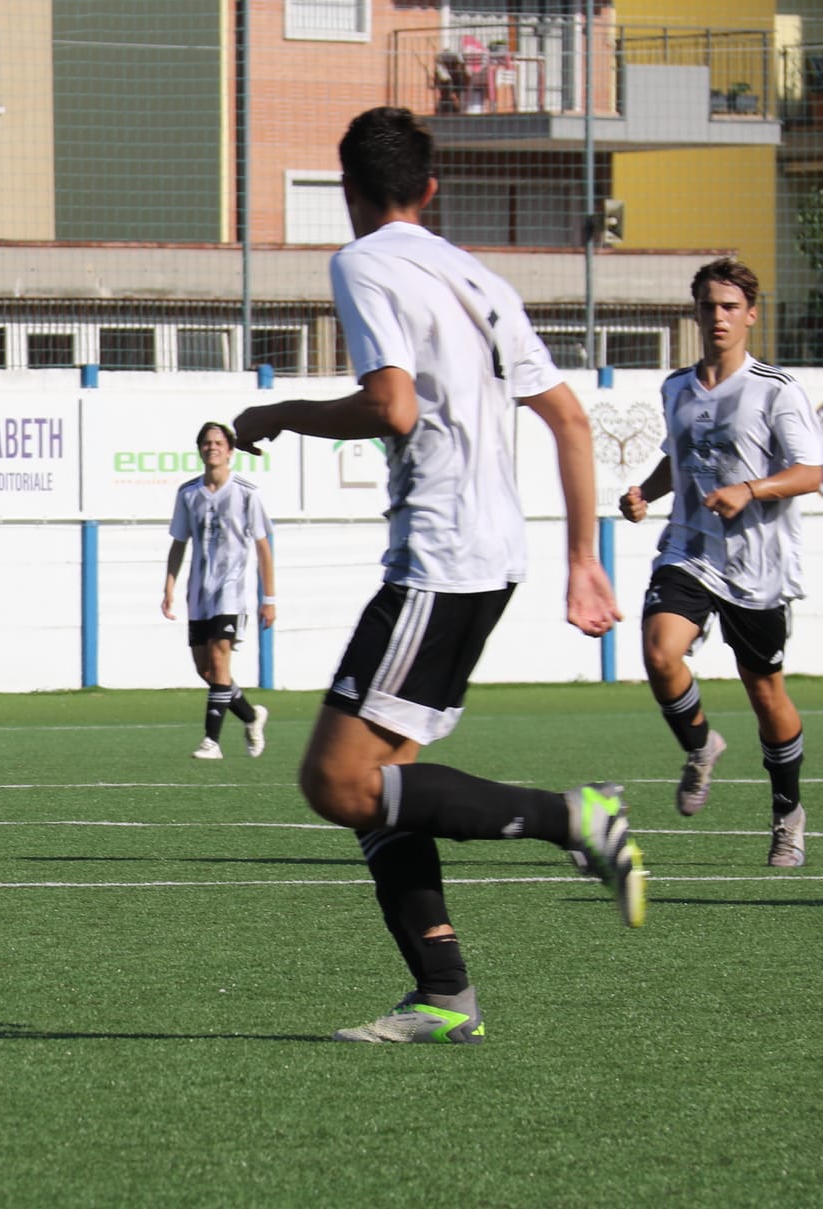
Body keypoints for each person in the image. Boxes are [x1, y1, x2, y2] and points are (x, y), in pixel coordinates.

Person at [232, 107, 643, 1046]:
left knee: (336, 783)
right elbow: (572, 421)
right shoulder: (480, 278)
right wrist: (584, 559)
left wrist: (281, 411)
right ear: (429, 189)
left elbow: (394, 405)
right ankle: (443, 994)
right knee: (390, 783)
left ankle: (576, 816)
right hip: (491, 557)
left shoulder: (363, 262)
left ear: (349, 192)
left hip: (441, 555)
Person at [618, 258, 820, 868]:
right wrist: (644, 493)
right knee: (659, 651)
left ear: (751, 315)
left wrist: (751, 490)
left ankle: (787, 811)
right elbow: (676, 458)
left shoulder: (775, 390)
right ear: (696, 312)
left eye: (731, 307)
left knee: (766, 694)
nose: (719, 317)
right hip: (689, 551)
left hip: (756, 566)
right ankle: (702, 746)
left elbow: (812, 471)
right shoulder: (676, 386)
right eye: (709, 306)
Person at [162, 421, 275, 759]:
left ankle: (211, 741)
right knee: (207, 671)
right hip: (199, 593)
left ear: (229, 450)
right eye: (206, 443)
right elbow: (179, 543)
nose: (212, 448)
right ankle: (252, 716)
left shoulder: (246, 493)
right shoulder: (188, 493)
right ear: (200, 449)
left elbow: (263, 547)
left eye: (218, 443)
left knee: (219, 659)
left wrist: (268, 598)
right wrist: (168, 588)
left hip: (231, 592)